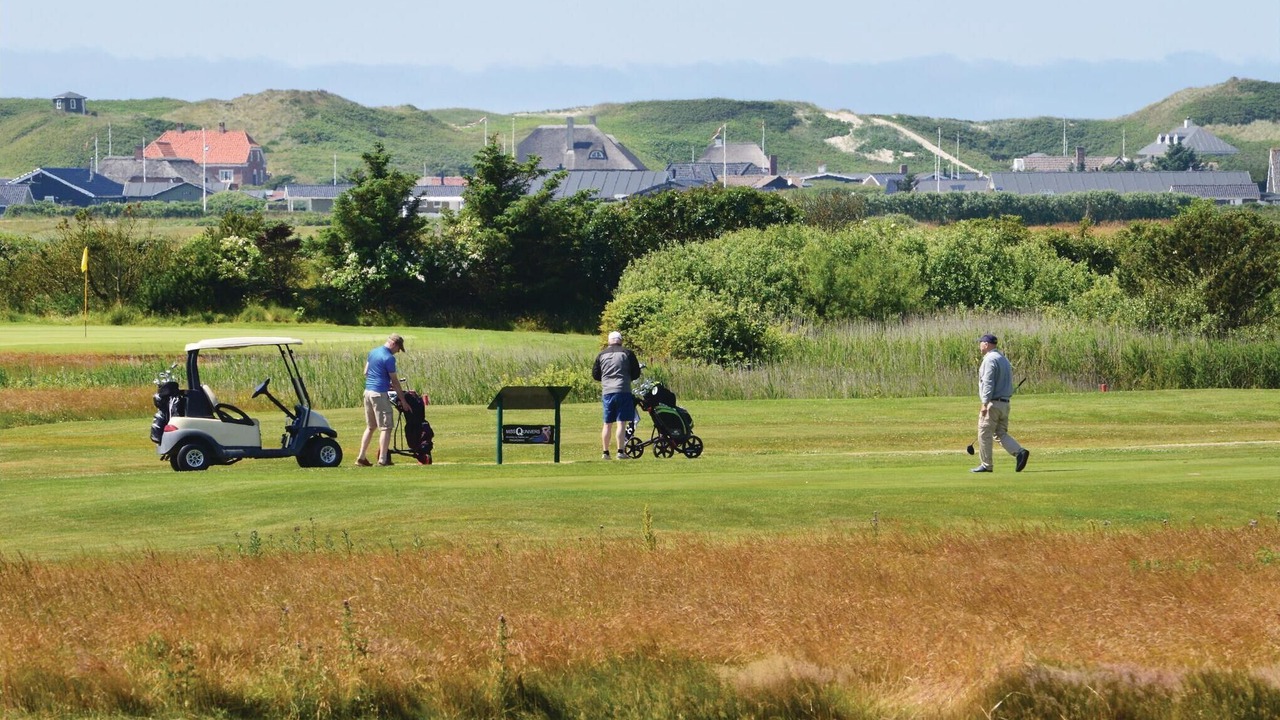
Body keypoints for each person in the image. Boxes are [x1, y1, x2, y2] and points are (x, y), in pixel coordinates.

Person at [971, 333, 1030, 473]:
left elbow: (988, 382)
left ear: (986, 344)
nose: (979, 346)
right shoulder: (1003, 359)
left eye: (981, 343)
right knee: (1000, 433)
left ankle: (986, 465)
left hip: (993, 403)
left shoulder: (989, 360)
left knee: (984, 433)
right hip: (1005, 403)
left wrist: (984, 403)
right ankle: (1019, 452)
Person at [356, 333, 410, 467]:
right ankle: (383, 459)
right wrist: (403, 401)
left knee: (371, 426)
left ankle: (361, 457)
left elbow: (366, 372)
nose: (397, 352)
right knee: (386, 427)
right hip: (379, 394)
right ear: (394, 344)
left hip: (368, 392)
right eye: (398, 349)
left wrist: (383, 380)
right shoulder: (389, 358)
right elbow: (395, 382)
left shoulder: (373, 352)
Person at [591, 330, 642, 460]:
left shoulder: (601, 355)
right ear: (620, 340)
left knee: (607, 423)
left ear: (609, 341)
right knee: (621, 423)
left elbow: (596, 375)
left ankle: (605, 453)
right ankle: (620, 451)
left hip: (607, 392)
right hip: (623, 390)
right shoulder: (627, 353)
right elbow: (636, 373)